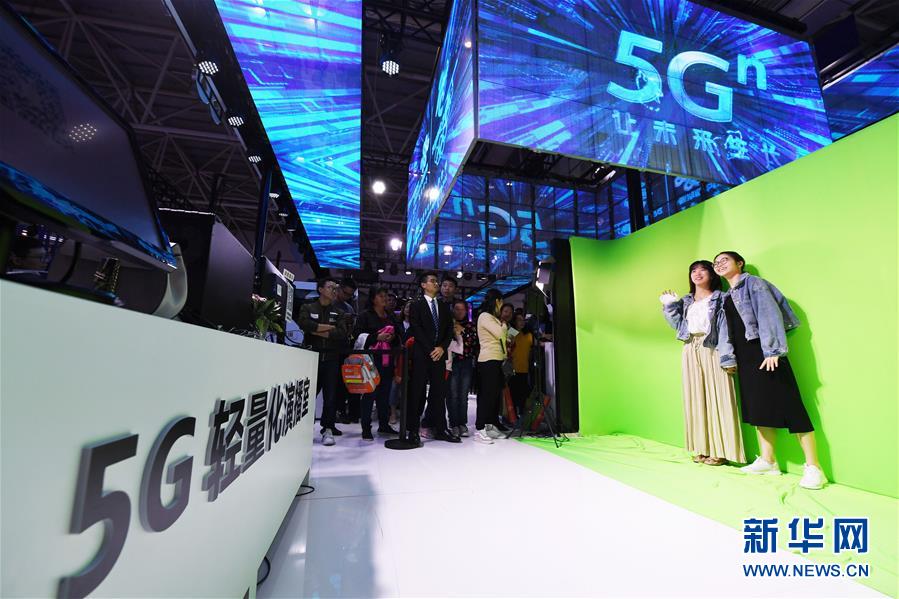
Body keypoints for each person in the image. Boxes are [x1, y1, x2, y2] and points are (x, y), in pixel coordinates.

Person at [713, 251, 827, 489]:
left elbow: (769, 313)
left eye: (724, 260)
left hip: (764, 351)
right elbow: (726, 331)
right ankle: (768, 461)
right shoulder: (725, 297)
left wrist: (773, 350)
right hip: (745, 357)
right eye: (716, 262)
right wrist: (728, 358)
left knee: (792, 407)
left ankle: (814, 467)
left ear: (739, 263)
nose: (719, 264)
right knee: (758, 408)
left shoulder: (754, 283)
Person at [660, 260, 745, 466]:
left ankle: (721, 451)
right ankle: (702, 448)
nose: (697, 273)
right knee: (695, 397)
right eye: (693, 270)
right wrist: (669, 305)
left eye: (703, 270)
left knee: (720, 397)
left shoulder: (722, 298)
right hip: (690, 348)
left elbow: (725, 329)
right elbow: (677, 325)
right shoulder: (686, 301)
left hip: (713, 347)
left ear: (712, 274)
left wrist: (728, 357)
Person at [406, 272, 461, 445]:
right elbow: (416, 328)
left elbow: (448, 330)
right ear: (423, 285)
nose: (436, 283)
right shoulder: (416, 304)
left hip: (439, 354)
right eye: (432, 281)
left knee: (439, 393)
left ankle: (440, 429)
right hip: (422, 354)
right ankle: (413, 430)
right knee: (417, 393)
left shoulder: (444, 306)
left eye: (437, 281)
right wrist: (431, 349)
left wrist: (442, 347)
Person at [297, 277, 351, 446]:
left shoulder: (339, 312)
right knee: (308, 395)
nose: (334, 290)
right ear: (320, 289)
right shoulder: (308, 307)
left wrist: (315, 329)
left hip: (331, 359)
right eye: (330, 287)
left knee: (330, 397)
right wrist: (328, 327)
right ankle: (304, 428)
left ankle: (327, 428)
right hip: (311, 358)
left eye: (335, 288)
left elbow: (341, 333)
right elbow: (304, 324)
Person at [354, 287, 401, 440]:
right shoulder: (365, 315)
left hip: (387, 361)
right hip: (370, 360)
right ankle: (366, 428)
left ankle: (384, 424)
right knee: (369, 394)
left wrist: (392, 338)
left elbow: (398, 336)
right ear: (373, 298)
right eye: (381, 296)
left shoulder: (391, 316)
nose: (385, 298)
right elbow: (357, 335)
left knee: (384, 395)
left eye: (386, 296)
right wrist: (376, 337)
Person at [475, 288, 508, 444]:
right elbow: (500, 334)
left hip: (496, 359)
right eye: (501, 302)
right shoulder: (485, 316)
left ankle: (489, 425)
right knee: (486, 396)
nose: (502, 306)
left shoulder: (492, 318)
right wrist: (504, 325)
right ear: (497, 301)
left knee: (494, 395)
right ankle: (480, 428)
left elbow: (502, 339)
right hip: (488, 360)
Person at [447, 299, 479, 437]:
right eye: (457, 309)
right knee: (452, 394)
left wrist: (463, 332)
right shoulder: (448, 324)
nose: (460, 312)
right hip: (452, 362)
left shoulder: (471, 326)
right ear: (453, 310)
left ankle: (462, 423)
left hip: (467, 362)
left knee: (463, 394)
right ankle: (453, 423)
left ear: (466, 311)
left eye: (462, 309)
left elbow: (473, 343)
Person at [334, 278, 358, 423]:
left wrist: (350, 324)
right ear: (339, 288)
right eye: (345, 293)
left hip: (344, 349)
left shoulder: (349, 308)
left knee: (342, 382)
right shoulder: (329, 303)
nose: (347, 296)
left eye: (350, 295)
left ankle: (340, 411)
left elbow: (351, 331)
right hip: (327, 348)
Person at [507, 313, 535, 419]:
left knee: (523, 394)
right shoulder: (512, 332)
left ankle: (522, 415)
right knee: (513, 394)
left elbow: (536, 344)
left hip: (525, 369)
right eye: (519, 320)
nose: (522, 322)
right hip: (513, 369)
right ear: (514, 321)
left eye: (523, 320)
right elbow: (507, 344)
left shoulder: (528, 334)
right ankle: (513, 417)